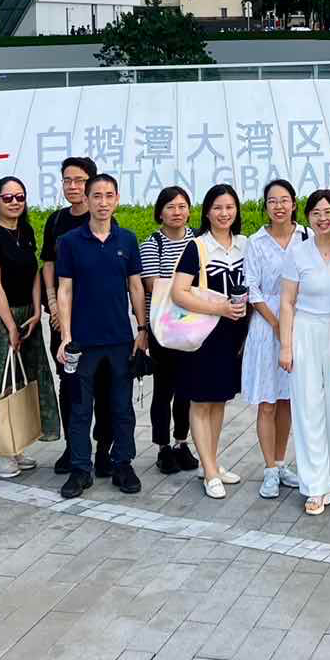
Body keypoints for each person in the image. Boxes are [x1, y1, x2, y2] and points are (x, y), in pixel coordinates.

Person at [53, 173, 146, 499]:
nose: (103, 202)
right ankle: (81, 468)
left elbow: (136, 286)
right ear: (87, 199)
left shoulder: (127, 240)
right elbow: (64, 289)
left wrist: (142, 330)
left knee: (122, 407)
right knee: (80, 409)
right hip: (83, 342)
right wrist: (66, 336)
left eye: (109, 196)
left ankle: (123, 463)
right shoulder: (70, 242)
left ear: (117, 199)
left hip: (120, 340)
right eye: (97, 196)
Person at [0, 176, 61, 476]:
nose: (14, 202)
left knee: (20, 381)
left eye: (19, 197)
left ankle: (15, 444)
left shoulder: (26, 231)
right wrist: (10, 325)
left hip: (25, 316)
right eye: (7, 198)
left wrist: (35, 312)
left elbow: (34, 273)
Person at [169, 184, 250, 498]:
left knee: (218, 400)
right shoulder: (197, 247)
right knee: (201, 402)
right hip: (203, 336)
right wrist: (220, 308)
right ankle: (209, 472)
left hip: (232, 336)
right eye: (217, 208)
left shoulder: (244, 245)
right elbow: (179, 292)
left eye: (229, 207)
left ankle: (210, 463)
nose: (224, 213)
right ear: (207, 212)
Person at [279, 189, 330, 515]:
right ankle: (313, 485)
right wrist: (286, 346)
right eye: (316, 213)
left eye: (328, 212)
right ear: (307, 217)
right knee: (308, 408)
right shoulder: (297, 253)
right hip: (305, 331)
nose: (323, 218)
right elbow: (287, 302)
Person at [41, 155, 105, 476]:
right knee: (69, 385)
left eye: (79, 180)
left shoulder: (101, 220)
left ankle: (104, 449)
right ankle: (73, 447)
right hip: (62, 319)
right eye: (67, 180)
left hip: (96, 319)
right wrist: (53, 304)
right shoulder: (56, 221)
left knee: (102, 385)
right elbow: (48, 265)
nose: (72, 186)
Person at [244, 179, 306, 499]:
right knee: (267, 402)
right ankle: (269, 468)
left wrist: (291, 324)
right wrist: (277, 323)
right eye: (272, 201)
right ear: (265, 206)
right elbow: (252, 289)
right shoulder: (255, 242)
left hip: (300, 325)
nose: (278, 206)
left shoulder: (306, 237)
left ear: (294, 204)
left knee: (286, 400)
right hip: (266, 327)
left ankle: (281, 463)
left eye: (284, 200)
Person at [140, 186, 198, 474]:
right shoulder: (152, 245)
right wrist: (186, 286)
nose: (177, 212)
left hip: (194, 325)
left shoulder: (198, 240)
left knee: (187, 387)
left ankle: (181, 442)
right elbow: (153, 285)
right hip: (162, 328)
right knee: (164, 389)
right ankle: (162, 447)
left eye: (182, 206)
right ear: (160, 213)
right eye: (170, 207)